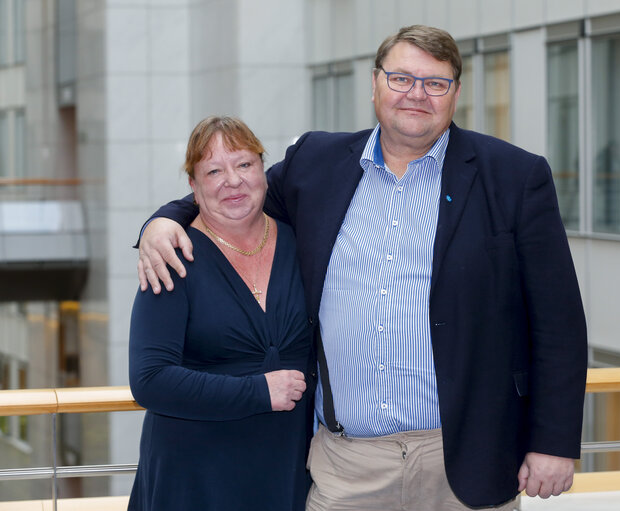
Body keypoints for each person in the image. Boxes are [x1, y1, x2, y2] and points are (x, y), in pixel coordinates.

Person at [137, 25, 588, 510]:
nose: (416, 94)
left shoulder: (514, 176)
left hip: (465, 458)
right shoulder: (317, 163)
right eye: (400, 78)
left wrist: (554, 442)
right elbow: (237, 193)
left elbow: (558, 323)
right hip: (347, 466)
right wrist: (164, 220)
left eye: (435, 83)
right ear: (374, 84)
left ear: (455, 93)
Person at [128, 116, 313, 511]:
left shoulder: (303, 241)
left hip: (288, 469)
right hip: (195, 478)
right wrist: (258, 392)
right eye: (214, 170)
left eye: (244, 164)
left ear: (264, 170)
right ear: (194, 187)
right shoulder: (171, 257)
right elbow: (149, 381)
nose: (232, 180)